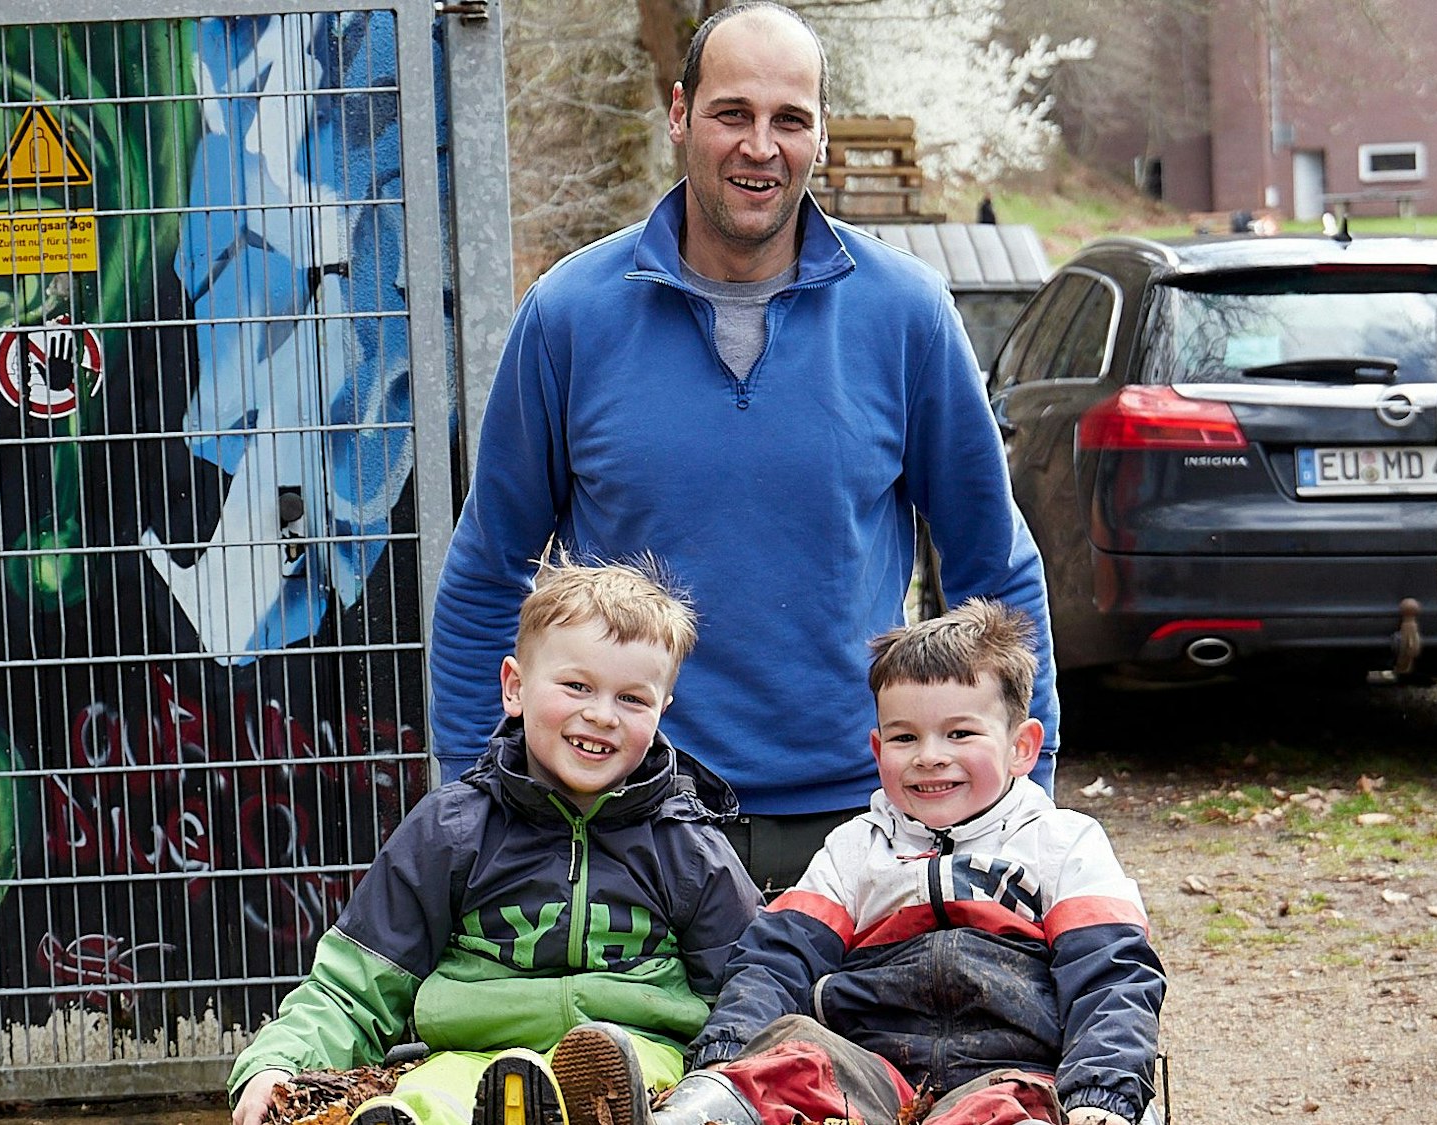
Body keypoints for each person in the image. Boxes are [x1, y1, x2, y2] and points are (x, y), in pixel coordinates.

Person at [427, 0, 1058, 893]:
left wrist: (1026, 803)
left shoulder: (908, 315)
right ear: (680, 113)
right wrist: (474, 805)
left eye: (789, 119)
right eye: (733, 113)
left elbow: (995, 565)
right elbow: (490, 570)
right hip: (624, 822)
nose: (760, 145)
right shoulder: (568, 317)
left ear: (821, 135)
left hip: (865, 826)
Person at [575, 600, 1161, 1125]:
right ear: (878, 749)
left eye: (959, 733)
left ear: (1021, 748)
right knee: (791, 1053)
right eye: (905, 738)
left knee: (1010, 1110)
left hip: (1011, 1067)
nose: (930, 757)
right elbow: (778, 955)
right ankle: (691, 1114)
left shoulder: (1064, 843)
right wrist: (729, 1048)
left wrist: (1099, 1094)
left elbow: (1112, 973)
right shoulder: (857, 848)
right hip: (870, 1071)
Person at [226, 557, 764, 1125]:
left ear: (661, 711)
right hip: (471, 1055)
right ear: (516, 687)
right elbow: (355, 986)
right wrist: (278, 1064)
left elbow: (749, 979)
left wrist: (720, 1068)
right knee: (429, 1099)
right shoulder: (452, 831)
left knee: (638, 1086)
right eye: (577, 685)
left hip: (636, 1057)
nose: (601, 714)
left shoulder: (685, 845)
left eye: (632, 699)